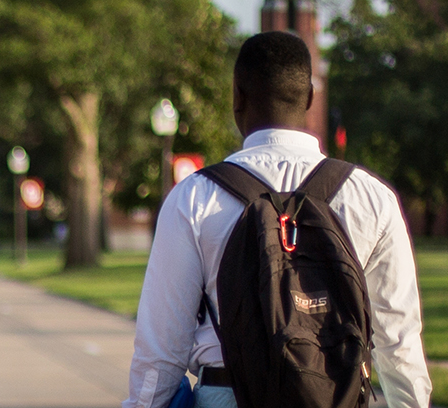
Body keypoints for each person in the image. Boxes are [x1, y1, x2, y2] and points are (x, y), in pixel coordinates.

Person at [124, 32, 431, 408]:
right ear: (310, 99)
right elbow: (399, 344)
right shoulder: (371, 198)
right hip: (337, 396)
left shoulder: (193, 198)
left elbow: (160, 352)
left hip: (228, 394)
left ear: (237, 96)